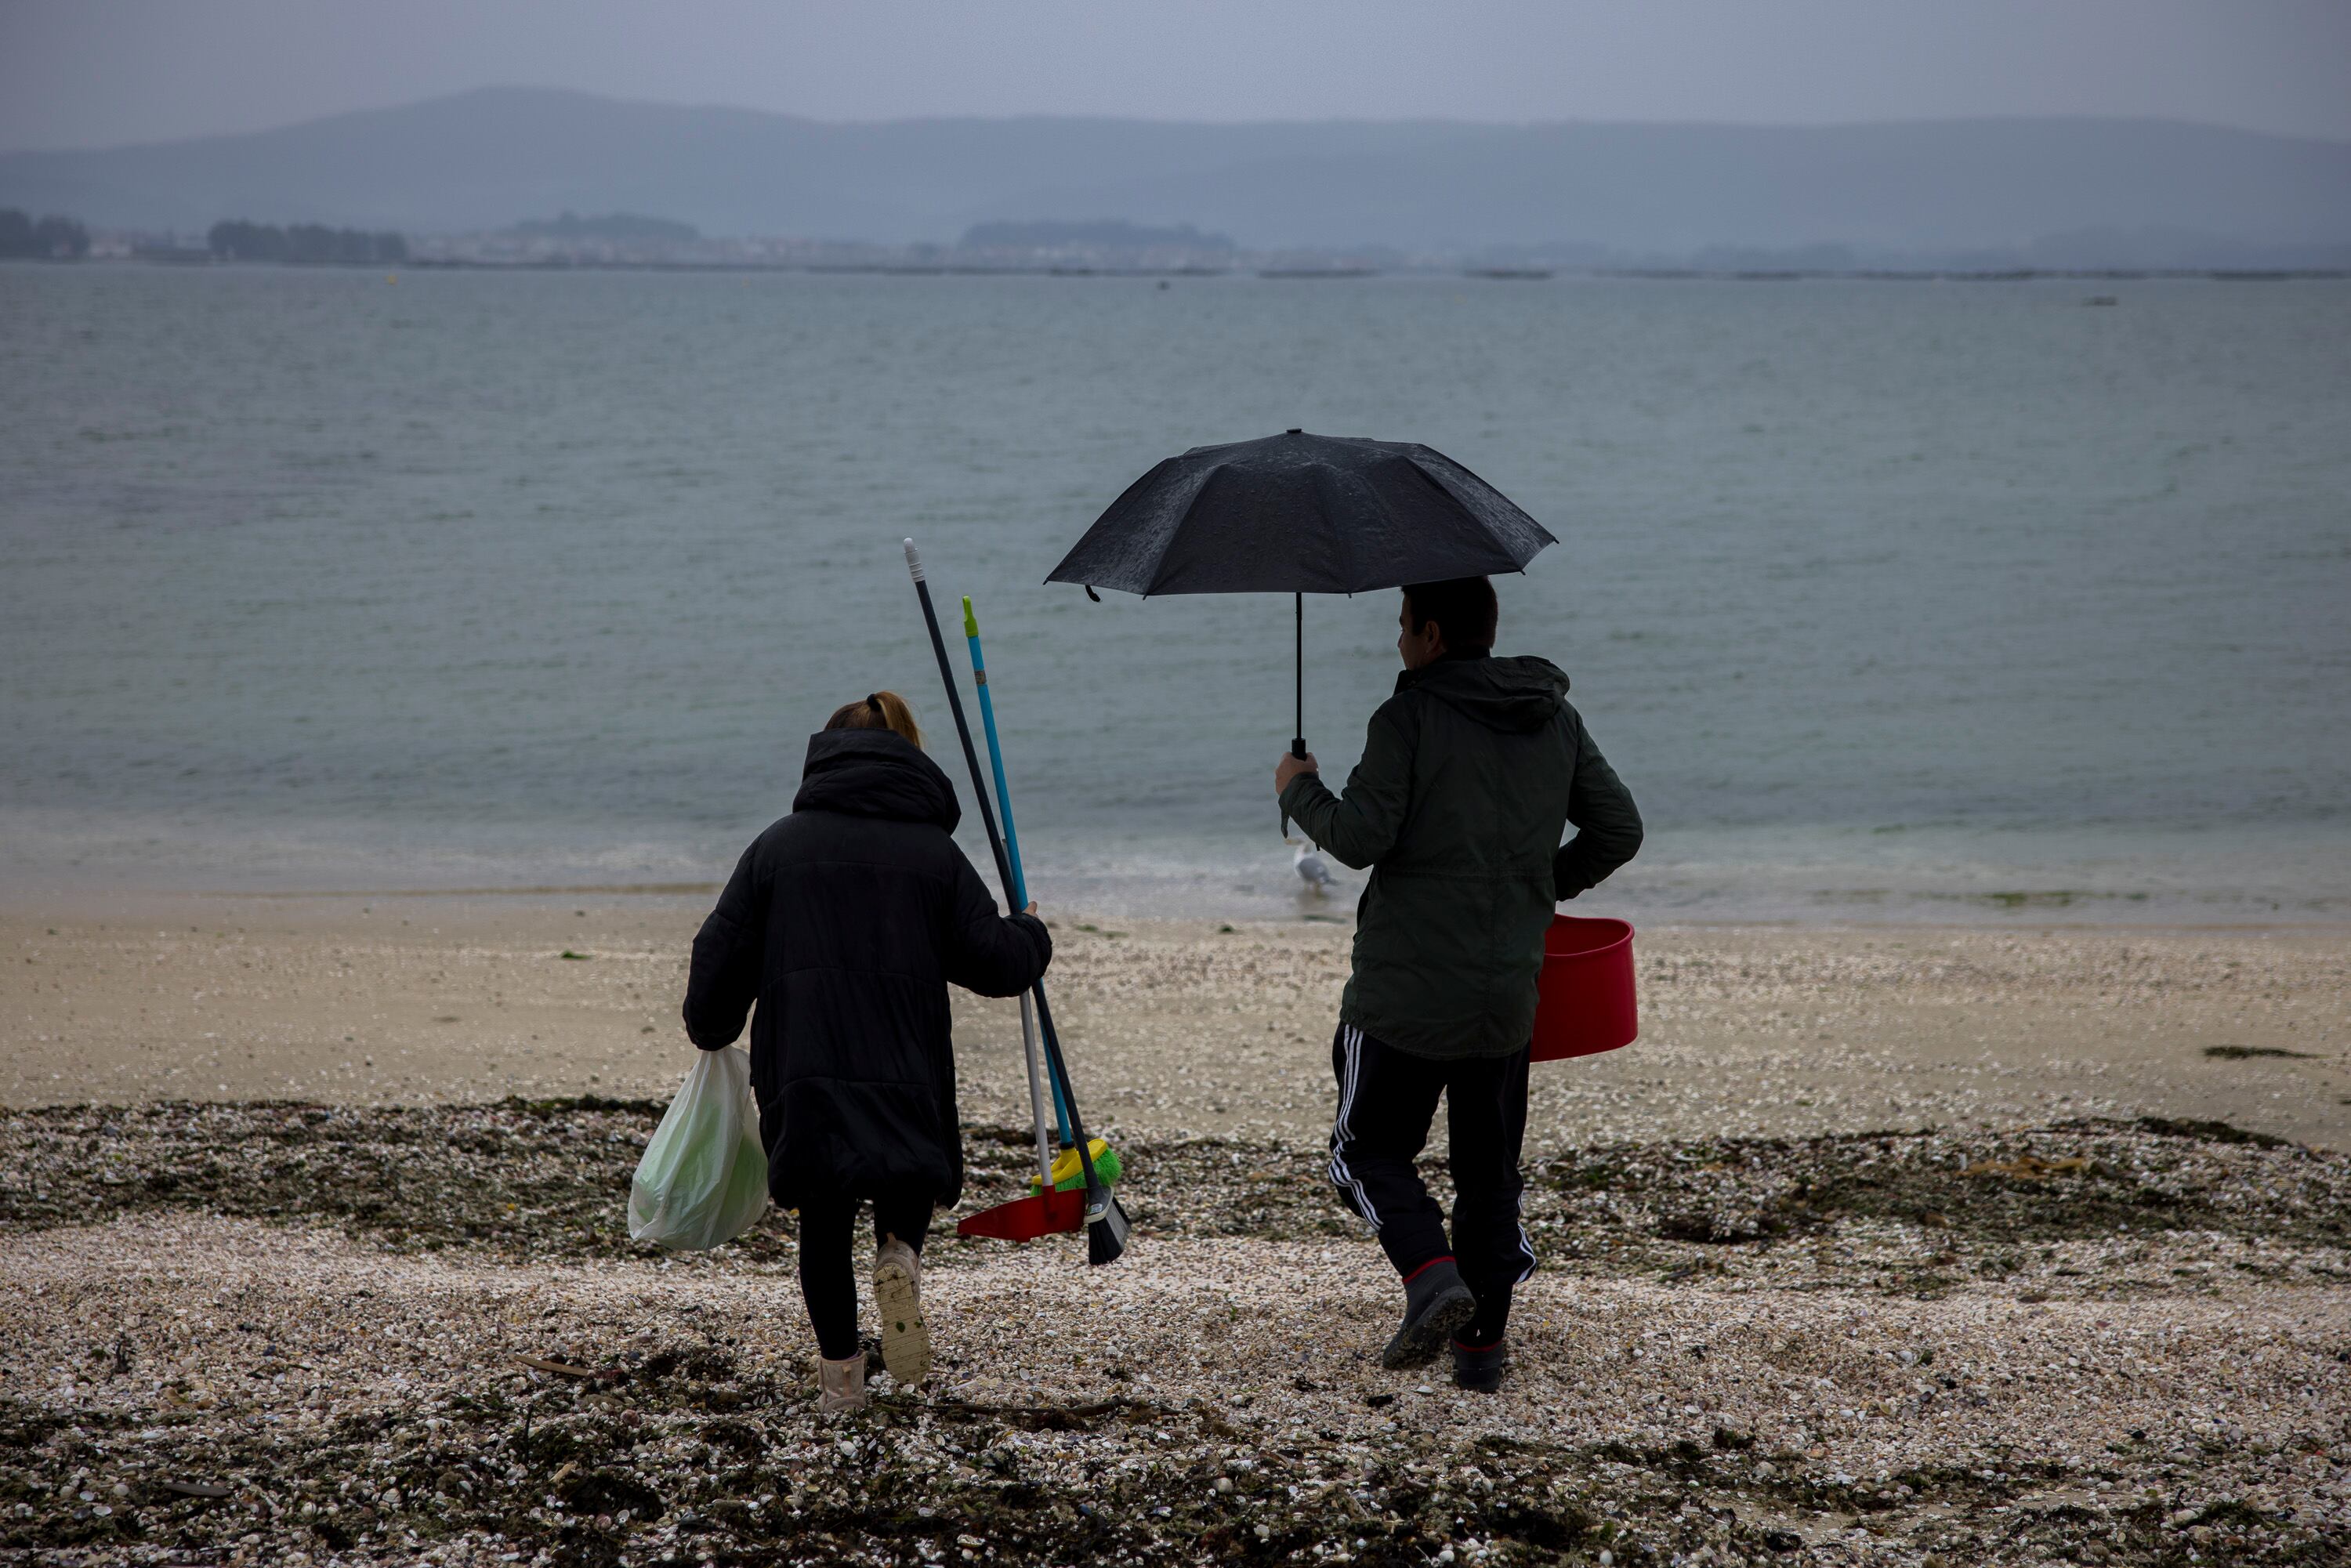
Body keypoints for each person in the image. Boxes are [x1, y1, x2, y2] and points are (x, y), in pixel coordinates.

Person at [1274, 577, 1642, 1392]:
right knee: (1487, 1172)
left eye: (1403, 626)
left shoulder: (1407, 717)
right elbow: (1619, 829)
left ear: (1433, 633)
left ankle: (1430, 1275)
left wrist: (1298, 787)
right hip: (1504, 995)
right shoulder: (1554, 716)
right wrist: (1539, 889)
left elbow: (1360, 837)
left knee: (1364, 1151)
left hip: (1402, 994)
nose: (1397, 641)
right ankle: (1481, 1348)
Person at [683, 690, 1051, 1414]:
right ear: (910, 758)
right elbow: (996, 962)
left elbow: (717, 952)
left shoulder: (777, 848)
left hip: (804, 1068)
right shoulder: (933, 855)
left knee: (822, 1219)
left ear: (825, 753)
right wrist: (1031, 932)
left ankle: (841, 1382)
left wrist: (711, 1025)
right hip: (906, 1063)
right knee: (905, 1170)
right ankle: (899, 1254)